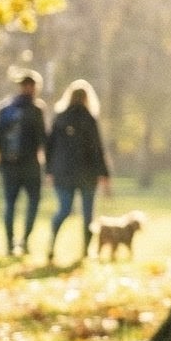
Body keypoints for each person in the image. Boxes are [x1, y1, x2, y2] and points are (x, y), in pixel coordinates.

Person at [43, 80, 111, 263]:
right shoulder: (89, 119)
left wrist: (49, 171)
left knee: (64, 210)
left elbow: (49, 147)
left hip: (63, 173)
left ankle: (52, 244)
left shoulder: (60, 117)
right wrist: (105, 175)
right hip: (86, 173)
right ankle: (86, 251)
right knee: (88, 215)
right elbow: (98, 149)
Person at [0, 70, 48, 256]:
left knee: (10, 204)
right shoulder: (36, 110)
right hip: (30, 164)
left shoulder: (5, 109)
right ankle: (23, 241)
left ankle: (10, 243)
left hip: (9, 165)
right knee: (32, 202)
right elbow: (43, 139)